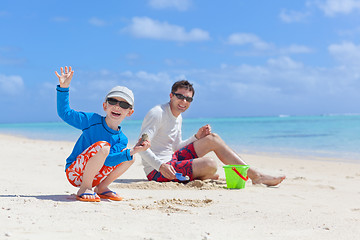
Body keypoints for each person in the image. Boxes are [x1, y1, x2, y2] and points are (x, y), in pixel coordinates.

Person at [138, 80, 285, 186]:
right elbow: (141, 147)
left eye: (188, 99)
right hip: (158, 171)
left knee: (212, 138)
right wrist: (160, 166)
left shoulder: (178, 116)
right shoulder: (158, 113)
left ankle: (255, 175)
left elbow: (176, 147)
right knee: (210, 164)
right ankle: (204, 174)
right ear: (171, 96)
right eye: (180, 96)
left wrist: (197, 137)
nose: (184, 101)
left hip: (172, 160)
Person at [55, 66, 150, 202]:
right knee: (103, 146)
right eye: (113, 101)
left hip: (96, 176)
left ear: (129, 112)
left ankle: (102, 188)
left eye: (123, 105)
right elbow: (65, 113)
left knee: (130, 157)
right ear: (105, 106)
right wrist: (64, 88)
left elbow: (109, 161)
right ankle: (84, 188)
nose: (117, 106)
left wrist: (134, 150)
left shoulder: (121, 139)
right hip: (74, 172)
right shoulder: (91, 120)